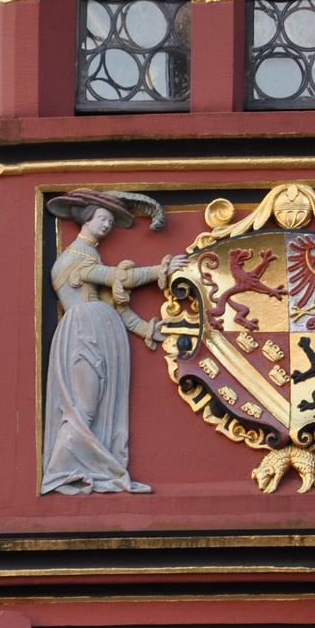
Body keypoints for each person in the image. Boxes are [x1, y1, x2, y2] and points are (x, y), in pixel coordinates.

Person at [41, 189, 188, 495]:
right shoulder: (72, 259)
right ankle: (60, 470)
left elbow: (115, 306)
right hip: (84, 334)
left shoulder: (89, 255)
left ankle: (91, 467)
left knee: (94, 407)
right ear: (86, 219)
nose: (107, 225)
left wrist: (146, 329)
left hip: (98, 331)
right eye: (102, 219)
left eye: (110, 220)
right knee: (84, 406)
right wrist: (162, 270)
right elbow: (117, 280)